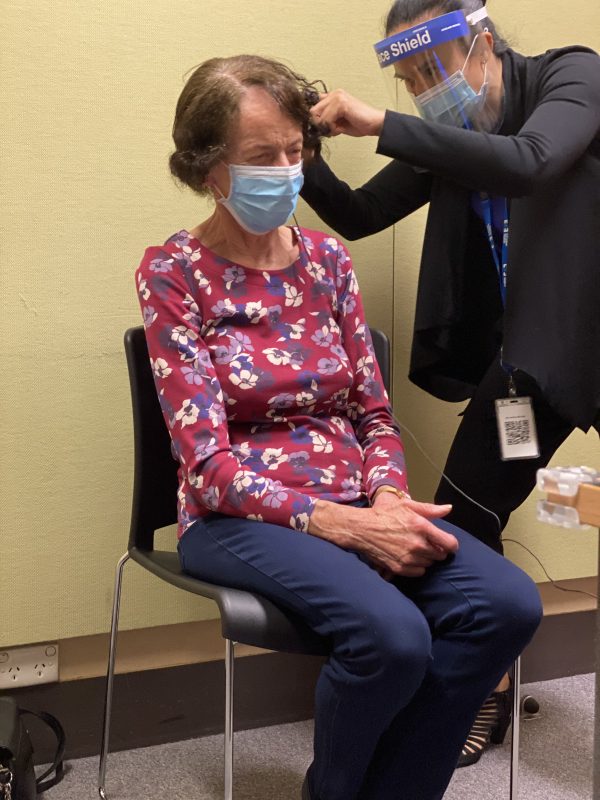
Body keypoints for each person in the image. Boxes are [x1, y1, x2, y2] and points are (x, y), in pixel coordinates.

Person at [135, 53, 541, 800]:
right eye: (263, 157)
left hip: (355, 502)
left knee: (507, 606)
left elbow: (373, 414)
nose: (287, 171)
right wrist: (342, 527)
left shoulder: (326, 259)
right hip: (237, 514)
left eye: (297, 151)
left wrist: (385, 499)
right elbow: (205, 466)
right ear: (205, 169)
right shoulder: (173, 272)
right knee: (392, 639)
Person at [301, 0, 600, 767]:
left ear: (483, 43)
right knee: (468, 514)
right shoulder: (457, 138)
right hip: (537, 360)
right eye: (410, 81)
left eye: (431, 70)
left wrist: (377, 124)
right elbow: (363, 213)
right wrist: (302, 155)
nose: (427, 93)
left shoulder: (575, 76)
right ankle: (485, 689)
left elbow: (531, 161)